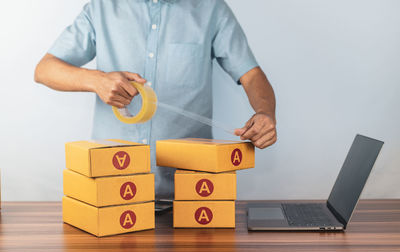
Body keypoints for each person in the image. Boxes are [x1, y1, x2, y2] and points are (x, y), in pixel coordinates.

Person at [34, 0, 277, 200]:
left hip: (189, 194)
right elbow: (45, 70)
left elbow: (252, 74)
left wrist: (265, 112)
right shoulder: (101, 8)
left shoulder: (211, 9)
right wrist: (96, 80)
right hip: (110, 191)